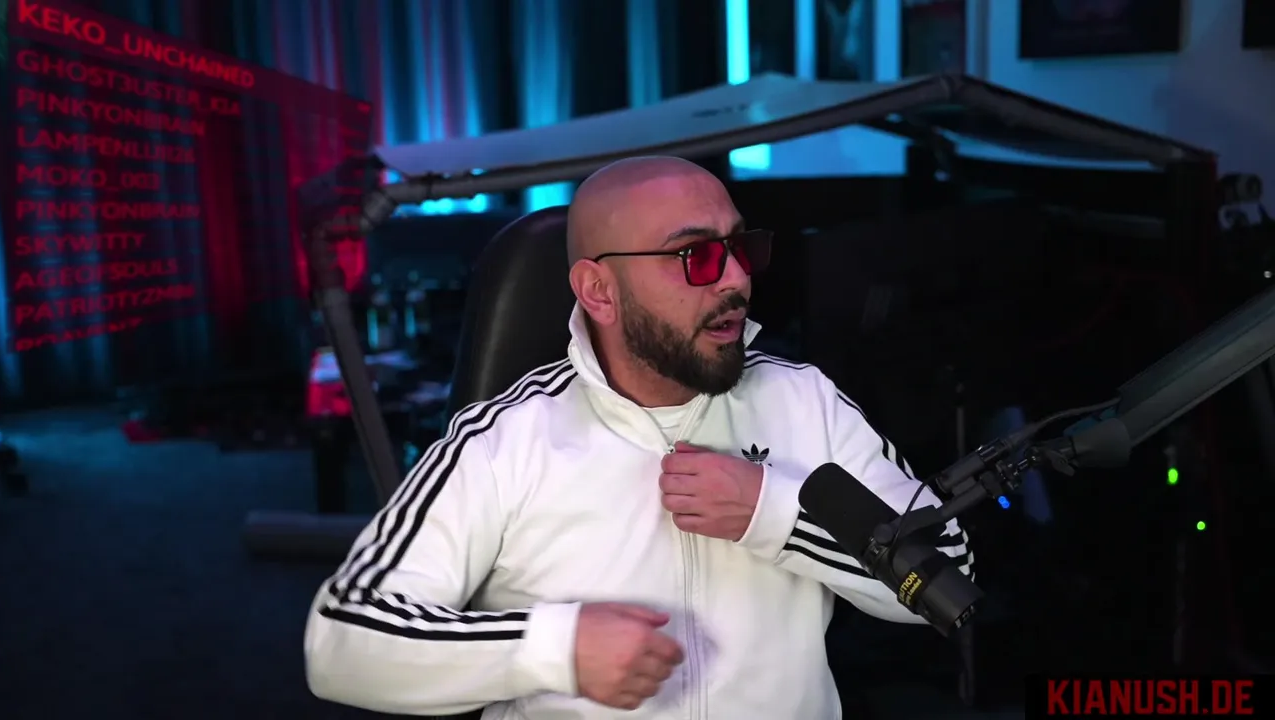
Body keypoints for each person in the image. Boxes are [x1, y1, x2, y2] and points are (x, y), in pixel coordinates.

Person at [304, 156, 973, 719]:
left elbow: (949, 574)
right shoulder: (503, 441)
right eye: (695, 255)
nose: (737, 279)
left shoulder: (805, 402)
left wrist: (775, 513)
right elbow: (341, 641)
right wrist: (555, 648)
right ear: (599, 291)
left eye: (740, 248)